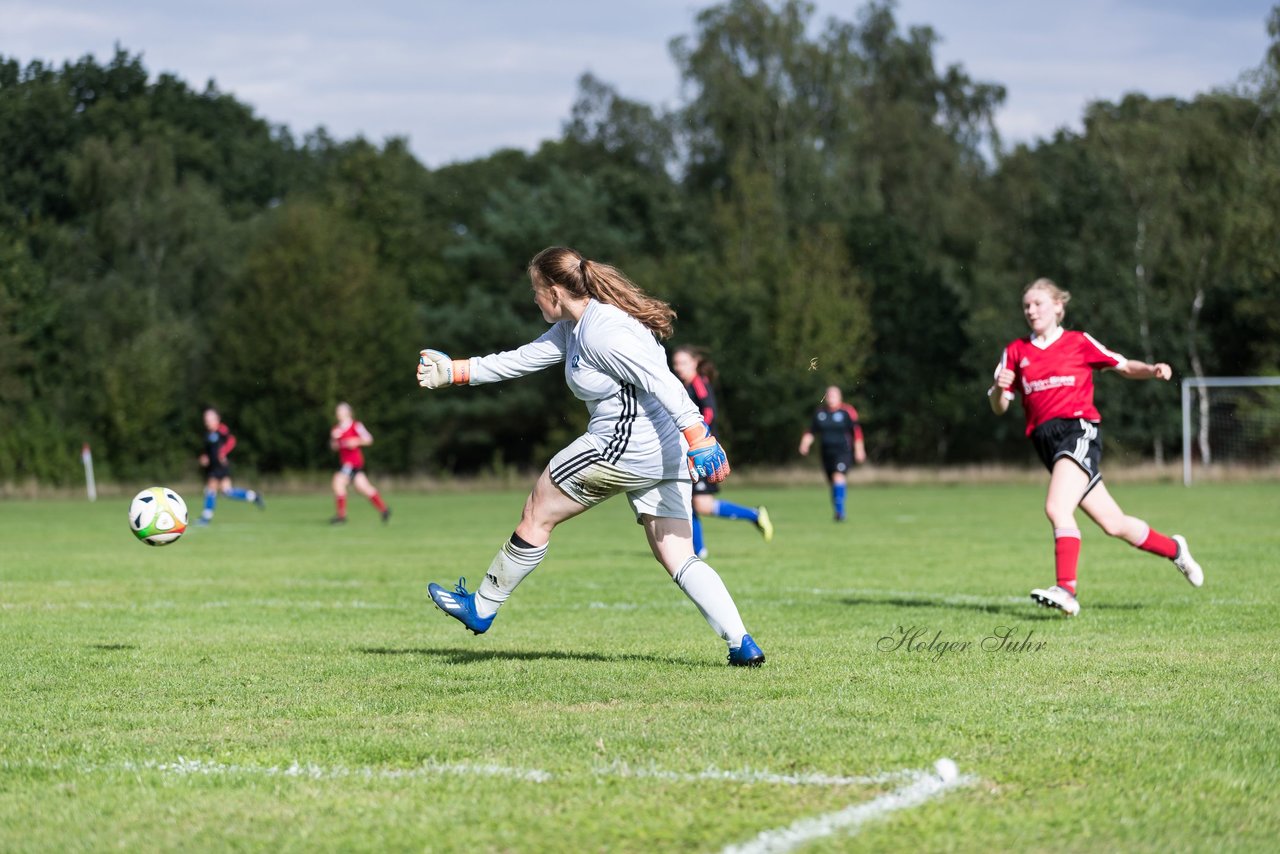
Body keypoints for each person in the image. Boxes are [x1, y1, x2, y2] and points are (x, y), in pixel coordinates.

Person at [415, 246, 764, 666]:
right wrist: (454, 370)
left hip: (625, 445)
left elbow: (663, 381)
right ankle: (741, 643)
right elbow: (523, 359)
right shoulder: (576, 326)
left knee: (537, 512)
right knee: (676, 554)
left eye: (536, 290)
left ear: (556, 292)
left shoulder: (603, 331)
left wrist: (699, 435)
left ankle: (483, 606)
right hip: (661, 452)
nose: (534, 299)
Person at [989, 277, 1204, 616]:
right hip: (1046, 443)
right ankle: (1175, 549)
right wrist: (996, 391)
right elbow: (1000, 407)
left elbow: (1122, 365)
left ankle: (1066, 591)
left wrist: (1151, 369)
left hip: (1078, 432)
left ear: (1059, 306)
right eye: (1026, 306)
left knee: (1057, 508)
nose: (1031, 310)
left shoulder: (1077, 342)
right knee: (1114, 523)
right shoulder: (1016, 351)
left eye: (1038, 304)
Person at [670, 345, 772, 558]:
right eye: (676, 363)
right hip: (689, 450)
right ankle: (698, 550)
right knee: (689, 501)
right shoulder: (683, 386)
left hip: (702, 451)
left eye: (683, 363)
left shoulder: (699, 384)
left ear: (695, 363)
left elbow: (709, 412)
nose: (678, 367)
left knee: (701, 504)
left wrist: (698, 438)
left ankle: (754, 514)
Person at [798, 386, 866, 521]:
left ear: (840, 397)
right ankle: (838, 509)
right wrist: (804, 444)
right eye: (829, 395)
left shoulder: (847, 411)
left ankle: (840, 512)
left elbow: (856, 431)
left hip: (843, 451)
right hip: (826, 453)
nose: (831, 398)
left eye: (834, 395)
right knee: (833, 483)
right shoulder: (820, 414)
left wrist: (859, 449)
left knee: (838, 477)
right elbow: (811, 431)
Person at [196, 407, 264, 525]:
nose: (207, 420)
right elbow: (207, 451)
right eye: (206, 418)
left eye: (209, 418)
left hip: (221, 466)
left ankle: (206, 518)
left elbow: (232, 441)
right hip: (213, 467)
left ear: (217, 419)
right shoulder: (207, 435)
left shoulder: (222, 430)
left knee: (210, 489)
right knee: (227, 492)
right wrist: (204, 457)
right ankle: (253, 496)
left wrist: (223, 452)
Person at [329, 402, 391, 525]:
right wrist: (333, 441)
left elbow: (369, 439)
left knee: (338, 482)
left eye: (340, 411)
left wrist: (356, 441)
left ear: (348, 412)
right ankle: (384, 509)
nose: (338, 413)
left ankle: (341, 516)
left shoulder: (356, 425)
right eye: (337, 411)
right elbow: (333, 447)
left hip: (352, 463)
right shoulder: (336, 429)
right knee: (363, 487)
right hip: (346, 463)